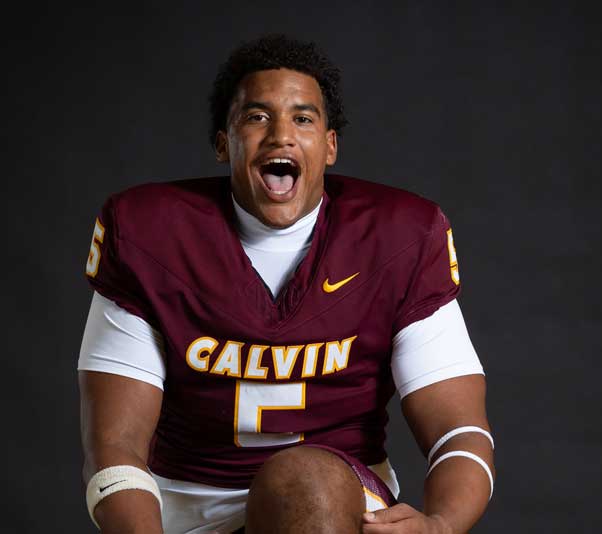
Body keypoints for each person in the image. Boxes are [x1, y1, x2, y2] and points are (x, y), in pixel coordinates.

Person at [78, 34, 495, 534]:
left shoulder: (399, 237)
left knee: (306, 480)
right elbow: (115, 447)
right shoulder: (150, 233)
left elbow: (460, 429)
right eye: (256, 117)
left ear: (330, 144)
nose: (281, 136)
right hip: (185, 509)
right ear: (221, 142)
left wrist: (442, 526)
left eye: (303, 118)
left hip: (338, 506)